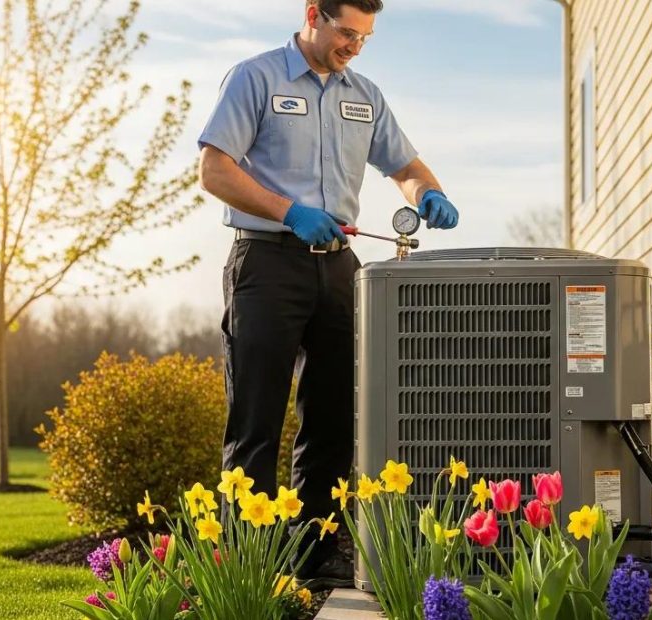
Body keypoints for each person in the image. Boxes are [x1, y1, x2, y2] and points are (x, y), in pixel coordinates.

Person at [196, 0, 459, 589]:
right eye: (346, 33)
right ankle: (246, 563)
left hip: (339, 269)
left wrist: (427, 193)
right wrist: (290, 212)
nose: (354, 48)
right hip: (265, 265)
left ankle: (313, 556)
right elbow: (215, 170)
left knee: (335, 418)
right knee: (256, 417)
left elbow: (406, 166)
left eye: (365, 38)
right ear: (313, 13)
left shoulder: (363, 93)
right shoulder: (255, 78)